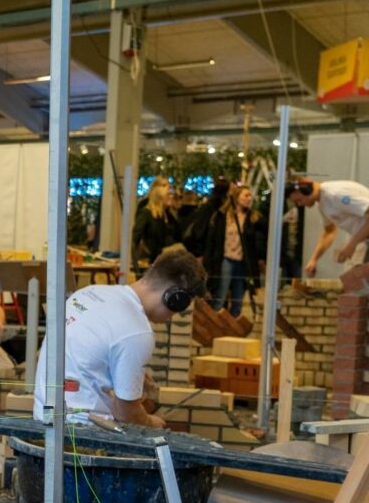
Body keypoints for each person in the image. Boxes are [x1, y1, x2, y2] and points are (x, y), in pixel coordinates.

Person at [33, 248, 207, 427]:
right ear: (175, 298)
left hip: (43, 420)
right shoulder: (137, 331)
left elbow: (92, 354)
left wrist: (130, 376)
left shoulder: (89, 293)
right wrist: (152, 423)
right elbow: (126, 413)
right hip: (81, 437)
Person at [292, 179, 369, 276]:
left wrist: (351, 245)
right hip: (364, 239)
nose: (300, 204)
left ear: (307, 191)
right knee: (354, 279)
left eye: (299, 200)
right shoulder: (322, 203)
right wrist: (314, 259)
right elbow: (329, 231)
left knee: (356, 280)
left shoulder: (336, 195)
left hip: (364, 239)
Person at [204, 186, 261, 317]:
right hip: (226, 259)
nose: (249, 198)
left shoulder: (252, 217)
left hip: (242, 262)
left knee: (238, 298)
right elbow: (212, 241)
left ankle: (232, 326)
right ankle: (215, 321)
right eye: (245, 195)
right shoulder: (222, 216)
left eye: (250, 196)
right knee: (220, 294)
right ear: (236, 197)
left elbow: (255, 242)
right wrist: (208, 262)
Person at [132, 176, 179, 264]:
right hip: (153, 264)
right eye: (168, 194)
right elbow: (134, 240)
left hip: (169, 264)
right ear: (158, 193)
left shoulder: (169, 215)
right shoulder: (146, 214)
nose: (171, 196)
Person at [182, 177, 229, 257]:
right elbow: (199, 232)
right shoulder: (210, 208)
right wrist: (199, 254)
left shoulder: (223, 209)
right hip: (206, 254)